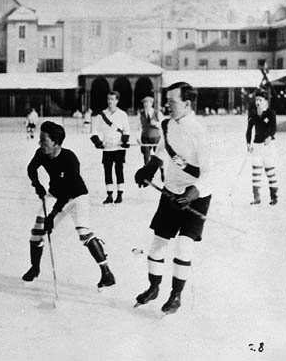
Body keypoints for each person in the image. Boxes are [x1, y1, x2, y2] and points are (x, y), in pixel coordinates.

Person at [133, 82, 212, 314]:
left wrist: (194, 191)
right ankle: (154, 287)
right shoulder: (167, 124)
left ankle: (176, 295)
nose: (167, 105)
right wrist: (150, 167)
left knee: (183, 246)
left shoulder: (199, 131)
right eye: (166, 100)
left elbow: (209, 170)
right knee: (158, 244)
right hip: (170, 191)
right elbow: (162, 150)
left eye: (172, 101)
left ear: (187, 104)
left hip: (195, 195)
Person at [23, 121, 115, 290]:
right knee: (37, 232)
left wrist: (52, 216)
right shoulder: (41, 153)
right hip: (55, 194)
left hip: (77, 196)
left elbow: (68, 191)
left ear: (56, 142)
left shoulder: (70, 159)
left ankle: (107, 273)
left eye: (43, 140)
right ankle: (35, 268)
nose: (39, 143)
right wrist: (37, 184)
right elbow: (31, 168)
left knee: (84, 233)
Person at [90, 91, 131, 204]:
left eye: (112, 99)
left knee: (119, 170)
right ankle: (109, 195)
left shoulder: (122, 114)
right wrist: (98, 143)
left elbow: (127, 130)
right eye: (108, 99)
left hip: (118, 148)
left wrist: (124, 140)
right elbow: (94, 131)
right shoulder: (101, 115)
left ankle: (120, 195)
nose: (110, 101)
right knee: (107, 171)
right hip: (107, 148)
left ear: (117, 100)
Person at [246, 89, 278, 205]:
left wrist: (269, 137)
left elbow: (274, 128)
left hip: (268, 146)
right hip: (257, 146)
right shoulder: (253, 114)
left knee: (270, 171)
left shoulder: (270, 113)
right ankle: (256, 197)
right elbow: (248, 131)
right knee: (256, 171)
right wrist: (248, 143)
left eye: (260, 100)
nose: (258, 102)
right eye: (256, 100)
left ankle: (274, 196)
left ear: (265, 101)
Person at [139, 93, 165, 181]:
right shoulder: (142, 113)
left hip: (156, 137)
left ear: (151, 103)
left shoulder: (157, 113)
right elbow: (139, 126)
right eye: (144, 103)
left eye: (147, 102)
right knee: (146, 156)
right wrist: (137, 137)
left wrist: (156, 124)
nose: (146, 104)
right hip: (145, 137)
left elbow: (163, 125)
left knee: (159, 155)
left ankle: (162, 171)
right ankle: (147, 175)